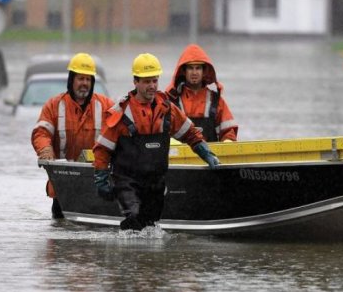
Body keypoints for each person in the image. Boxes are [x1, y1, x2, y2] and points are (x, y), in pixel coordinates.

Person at [92, 53, 220, 231]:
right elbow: (102, 149)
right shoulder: (120, 113)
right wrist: (101, 179)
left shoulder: (167, 109)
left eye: (155, 81)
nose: (152, 86)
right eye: (146, 82)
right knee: (134, 218)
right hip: (126, 181)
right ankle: (124, 255)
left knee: (150, 226)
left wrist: (206, 153)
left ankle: (144, 257)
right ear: (135, 82)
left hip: (155, 182)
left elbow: (190, 134)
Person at [32, 53, 114, 219]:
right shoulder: (53, 105)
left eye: (88, 79)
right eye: (80, 78)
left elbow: (121, 132)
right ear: (71, 80)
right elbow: (41, 132)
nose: (84, 83)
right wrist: (45, 149)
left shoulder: (106, 106)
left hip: (97, 186)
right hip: (64, 189)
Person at [165, 44, 238, 142]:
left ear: (204, 71)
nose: (194, 72)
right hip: (180, 155)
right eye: (190, 68)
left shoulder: (216, 101)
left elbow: (229, 131)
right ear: (184, 71)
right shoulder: (171, 101)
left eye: (198, 68)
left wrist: (228, 141)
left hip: (210, 156)